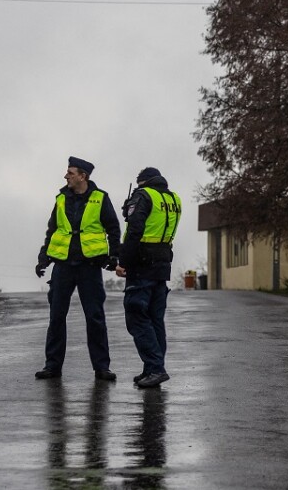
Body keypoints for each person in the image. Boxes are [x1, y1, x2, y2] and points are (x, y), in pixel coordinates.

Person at [34, 156, 121, 381]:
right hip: (63, 265)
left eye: (70, 173)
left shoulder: (100, 198)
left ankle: (102, 367)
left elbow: (113, 228)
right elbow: (52, 229)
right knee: (56, 317)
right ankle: (52, 366)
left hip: (89, 266)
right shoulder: (61, 198)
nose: (66, 176)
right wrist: (44, 257)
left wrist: (113, 255)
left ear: (83, 176)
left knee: (94, 317)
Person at [116, 167, 181, 388]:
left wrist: (123, 261)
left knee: (136, 314)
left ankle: (155, 368)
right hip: (163, 264)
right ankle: (152, 367)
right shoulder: (173, 199)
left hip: (142, 264)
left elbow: (135, 231)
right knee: (155, 319)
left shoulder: (142, 195)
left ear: (142, 181)